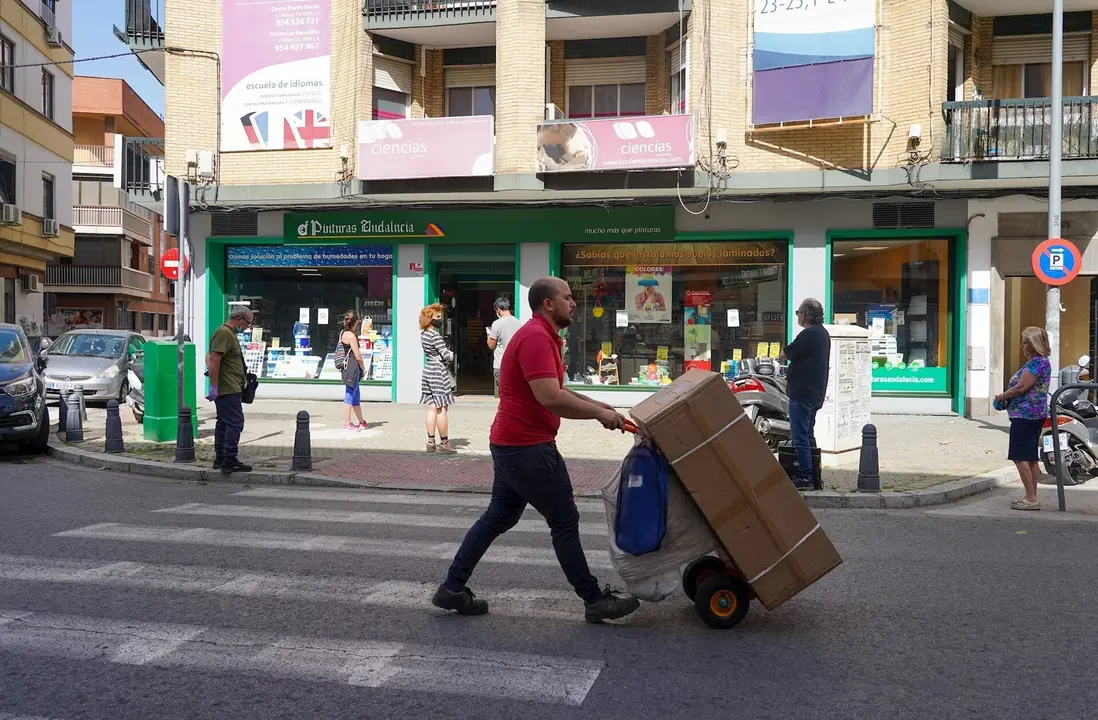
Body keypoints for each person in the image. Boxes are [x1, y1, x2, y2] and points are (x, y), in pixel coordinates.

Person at [431, 277, 641, 624]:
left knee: (499, 516)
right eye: (568, 298)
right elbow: (551, 397)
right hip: (527, 447)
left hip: (512, 443)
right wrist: (599, 415)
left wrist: (604, 407)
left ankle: (452, 587)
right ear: (548, 304)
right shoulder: (535, 338)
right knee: (564, 519)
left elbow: (559, 390)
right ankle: (593, 599)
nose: (573, 303)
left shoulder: (541, 337)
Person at [995, 326, 1051, 511]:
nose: (1022, 346)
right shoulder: (1040, 363)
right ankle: (1031, 495)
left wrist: (1002, 396)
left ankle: (1031, 498)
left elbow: (1021, 388)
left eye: (1026, 342)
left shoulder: (1036, 364)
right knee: (1030, 457)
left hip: (1026, 416)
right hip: (1033, 415)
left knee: (1020, 456)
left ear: (1035, 344)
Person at [781, 298, 830, 491]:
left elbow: (786, 353)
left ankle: (805, 477)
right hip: (815, 393)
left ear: (805, 315)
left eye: (798, 313)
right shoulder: (823, 334)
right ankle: (815, 475)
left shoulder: (808, 334)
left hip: (802, 393)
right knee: (808, 435)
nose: (798, 317)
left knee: (800, 436)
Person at [206, 305, 254, 474]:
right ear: (239, 319)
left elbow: (210, 356)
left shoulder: (227, 333)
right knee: (235, 423)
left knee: (224, 423)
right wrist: (214, 385)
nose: (248, 327)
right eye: (248, 323)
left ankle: (220, 458)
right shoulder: (225, 333)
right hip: (227, 387)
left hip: (228, 386)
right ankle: (229, 460)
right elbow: (213, 358)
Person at [420, 303, 455, 453]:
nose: (440, 319)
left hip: (428, 369)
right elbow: (446, 355)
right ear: (430, 318)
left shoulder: (424, 334)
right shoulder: (435, 336)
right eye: (438, 316)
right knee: (442, 408)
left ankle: (430, 441)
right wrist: (451, 354)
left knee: (432, 407)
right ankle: (444, 443)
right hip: (438, 371)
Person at [486, 296, 521, 391]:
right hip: (516, 366)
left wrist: (489, 334)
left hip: (501, 365)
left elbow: (491, 345)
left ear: (498, 309)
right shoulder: (519, 323)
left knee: (504, 394)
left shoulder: (497, 324)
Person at [340, 311, 367, 431]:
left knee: (355, 396)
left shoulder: (342, 333)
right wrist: (362, 366)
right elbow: (357, 355)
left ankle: (361, 421)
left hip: (347, 367)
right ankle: (347, 423)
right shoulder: (351, 336)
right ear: (356, 322)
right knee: (349, 395)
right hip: (352, 368)